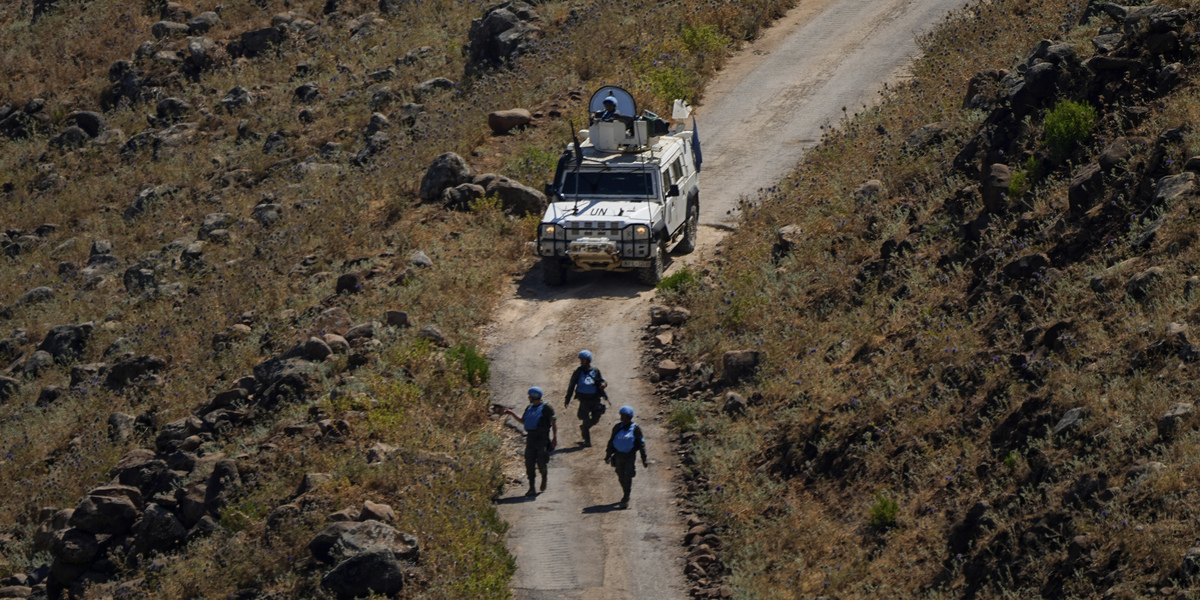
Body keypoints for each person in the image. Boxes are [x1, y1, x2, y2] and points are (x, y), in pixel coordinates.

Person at [502, 386, 558, 496]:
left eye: (530, 396)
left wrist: (555, 438)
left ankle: (544, 476)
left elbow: (554, 422)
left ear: (534, 396)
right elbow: (523, 421)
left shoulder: (547, 407)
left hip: (542, 439)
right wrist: (512, 413)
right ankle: (532, 487)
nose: (529, 398)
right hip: (531, 439)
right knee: (529, 463)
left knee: (541, 462)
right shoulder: (529, 408)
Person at [604, 405, 647, 509]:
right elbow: (611, 441)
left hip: (629, 456)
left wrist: (644, 458)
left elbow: (641, 444)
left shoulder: (635, 429)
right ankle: (626, 491)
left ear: (629, 416)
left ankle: (626, 497)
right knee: (620, 475)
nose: (622, 417)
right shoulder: (617, 427)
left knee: (628, 476)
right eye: (621, 415)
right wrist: (608, 455)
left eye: (625, 415)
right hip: (618, 456)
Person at [565, 349, 607, 446]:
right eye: (581, 359)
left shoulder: (595, 370)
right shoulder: (578, 372)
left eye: (584, 359)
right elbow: (571, 385)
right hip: (584, 400)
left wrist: (604, 384)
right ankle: (587, 440)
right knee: (585, 418)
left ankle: (584, 427)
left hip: (595, 399)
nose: (582, 361)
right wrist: (567, 399)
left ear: (589, 360)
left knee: (596, 418)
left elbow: (602, 381)